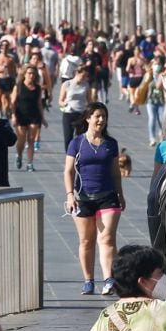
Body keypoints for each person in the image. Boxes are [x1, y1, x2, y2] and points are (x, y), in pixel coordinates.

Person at [64, 103, 125, 296]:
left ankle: (109, 279)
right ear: (87, 118)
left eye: (104, 117)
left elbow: (116, 173)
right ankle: (88, 280)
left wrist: (120, 194)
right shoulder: (77, 143)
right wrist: (69, 195)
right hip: (82, 198)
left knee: (107, 238)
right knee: (86, 241)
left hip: (107, 196)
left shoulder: (111, 143)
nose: (101, 120)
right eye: (97, 116)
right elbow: (68, 171)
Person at [11, 65, 46, 172]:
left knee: (31, 140)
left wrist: (43, 118)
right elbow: (13, 103)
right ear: (24, 74)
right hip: (21, 115)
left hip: (34, 115)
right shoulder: (18, 86)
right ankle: (19, 155)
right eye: (29, 73)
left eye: (33, 74)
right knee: (21, 140)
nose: (31, 75)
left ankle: (30, 163)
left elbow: (39, 103)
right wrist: (13, 116)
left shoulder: (38, 88)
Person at [58, 64, 96, 150]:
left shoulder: (86, 85)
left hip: (81, 114)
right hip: (69, 113)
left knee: (81, 138)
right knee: (68, 137)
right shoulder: (67, 84)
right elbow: (60, 100)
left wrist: (91, 110)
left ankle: (80, 156)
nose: (84, 78)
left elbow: (89, 100)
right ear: (77, 73)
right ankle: (69, 155)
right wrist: (64, 104)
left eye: (86, 76)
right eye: (83, 75)